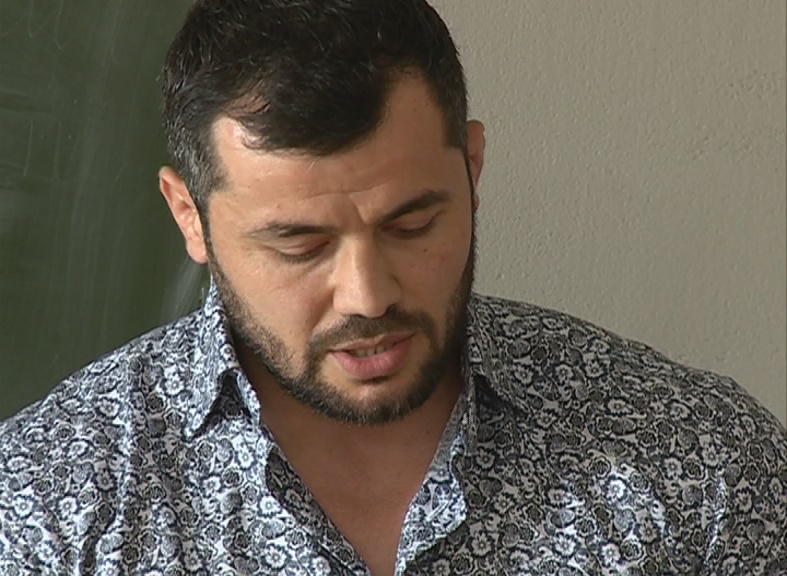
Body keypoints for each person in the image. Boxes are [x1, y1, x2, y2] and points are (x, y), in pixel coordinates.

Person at [1, 0, 785, 573]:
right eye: (299, 244)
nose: (367, 296)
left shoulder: (700, 463)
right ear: (190, 217)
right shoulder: (42, 505)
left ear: (471, 168)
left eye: (411, 225)